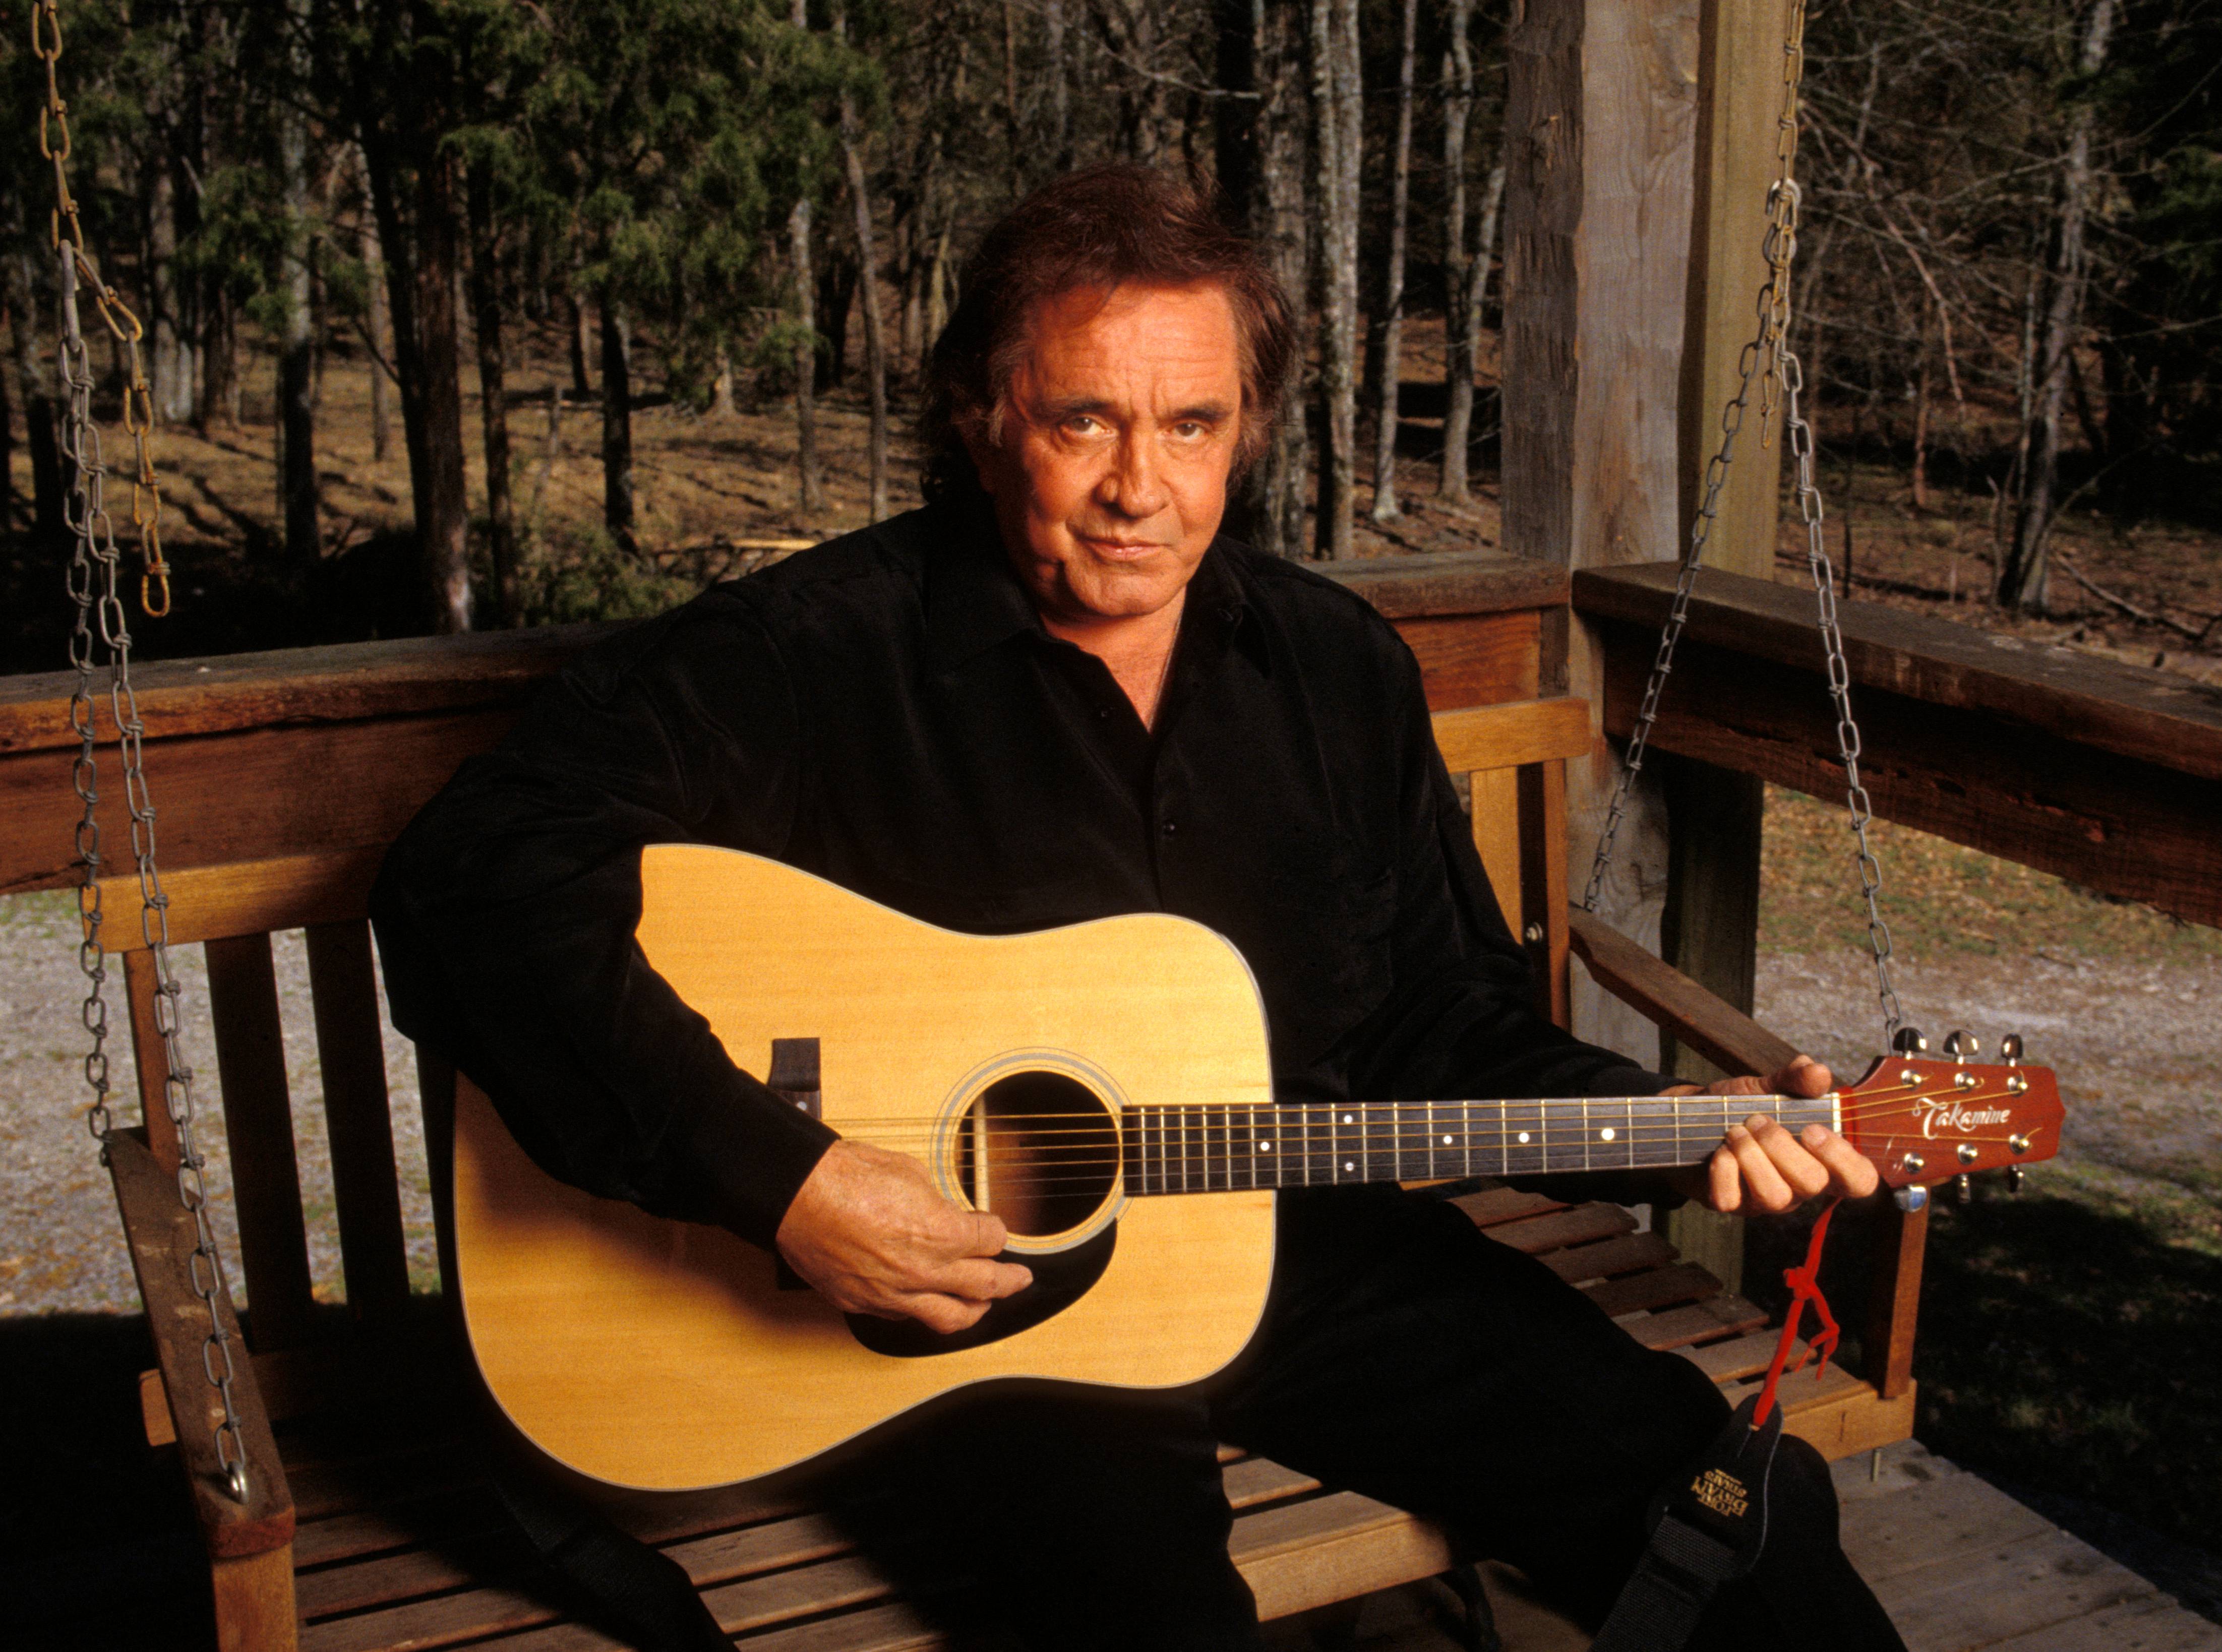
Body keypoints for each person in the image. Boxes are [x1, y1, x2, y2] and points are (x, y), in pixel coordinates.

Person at [373, 164, 1893, 1651]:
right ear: (982, 421)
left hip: (1303, 1243)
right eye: (1080, 418)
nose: (1138, 488)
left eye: (1191, 425)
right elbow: (472, 878)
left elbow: (1444, 1018)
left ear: (1245, 433)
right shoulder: (808, 654)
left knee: (1720, 1508)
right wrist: (785, 1181)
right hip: (963, 1315)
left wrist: (1682, 1144)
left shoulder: (1334, 666)